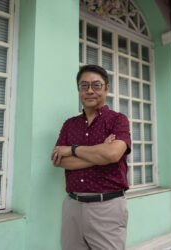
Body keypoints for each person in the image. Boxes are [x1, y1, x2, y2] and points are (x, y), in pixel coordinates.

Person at [51, 65, 131, 250]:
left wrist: (72, 149)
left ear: (106, 88)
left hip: (107, 207)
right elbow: (58, 160)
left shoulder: (118, 120)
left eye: (96, 85)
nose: (89, 91)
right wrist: (100, 150)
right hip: (72, 206)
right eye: (84, 85)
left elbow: (112, 154)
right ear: (78, 89)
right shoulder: (70, 124)